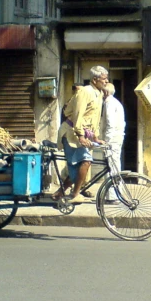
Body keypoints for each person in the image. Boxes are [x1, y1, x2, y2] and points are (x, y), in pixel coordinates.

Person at [54, 66, 108, 203]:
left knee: (78, 168)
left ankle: (59, 193)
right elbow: (78, 114)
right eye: (104, 78)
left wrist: (95, 137)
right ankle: (75, 194)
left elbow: (95, 118)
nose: (106, 81)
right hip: (72, 133)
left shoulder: (99, 94)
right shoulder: (85, 92)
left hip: (83, 133)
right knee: (86, 161)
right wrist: (81, 136)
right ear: (95, 80)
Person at [100, 82, 126, 202]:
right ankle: (116, 193)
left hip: (112, 139)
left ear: (105, 92)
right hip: (118, 137)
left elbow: (110, 123)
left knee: (111, 167)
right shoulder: (117, 102)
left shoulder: (109, 102)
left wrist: (107, 140)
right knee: (115, 165)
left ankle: (112, 196)